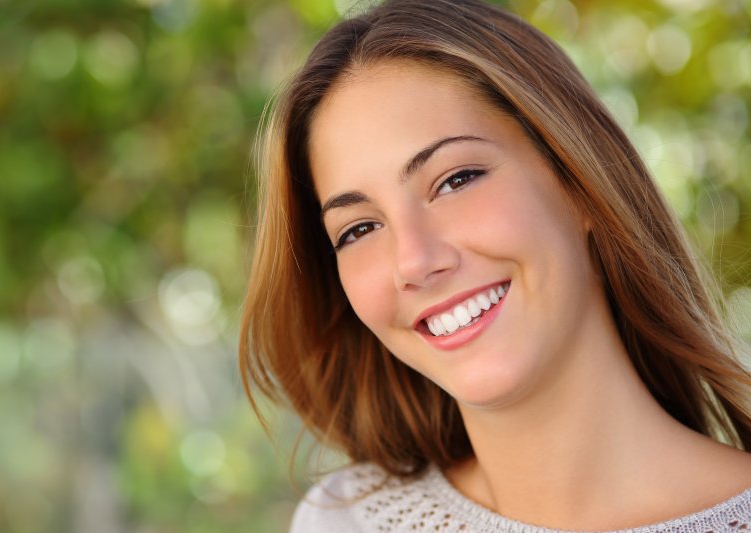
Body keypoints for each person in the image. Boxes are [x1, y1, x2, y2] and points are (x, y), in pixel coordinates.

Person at [238, 0, 751, 531]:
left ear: (580, 180)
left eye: (455, 180)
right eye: (359, 229)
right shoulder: (344, 521)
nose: (413, 260)